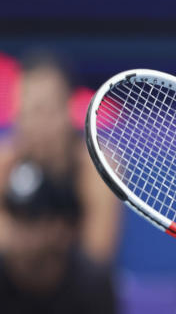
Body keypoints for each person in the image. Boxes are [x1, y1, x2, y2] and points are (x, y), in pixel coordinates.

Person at [0, 160, 122, 314]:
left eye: (32, 220)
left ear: (60, 227)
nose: (19, 232)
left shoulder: (91, 281)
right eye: (14, 216)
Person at [0, 52, 122, 264]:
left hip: (77, 287)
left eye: (43, 110)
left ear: (68, 110)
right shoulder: (6, 162)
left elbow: (98, 251)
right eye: (26, 111)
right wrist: (30, 243)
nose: (34, 123)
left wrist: (47, 245)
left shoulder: (97, 166)